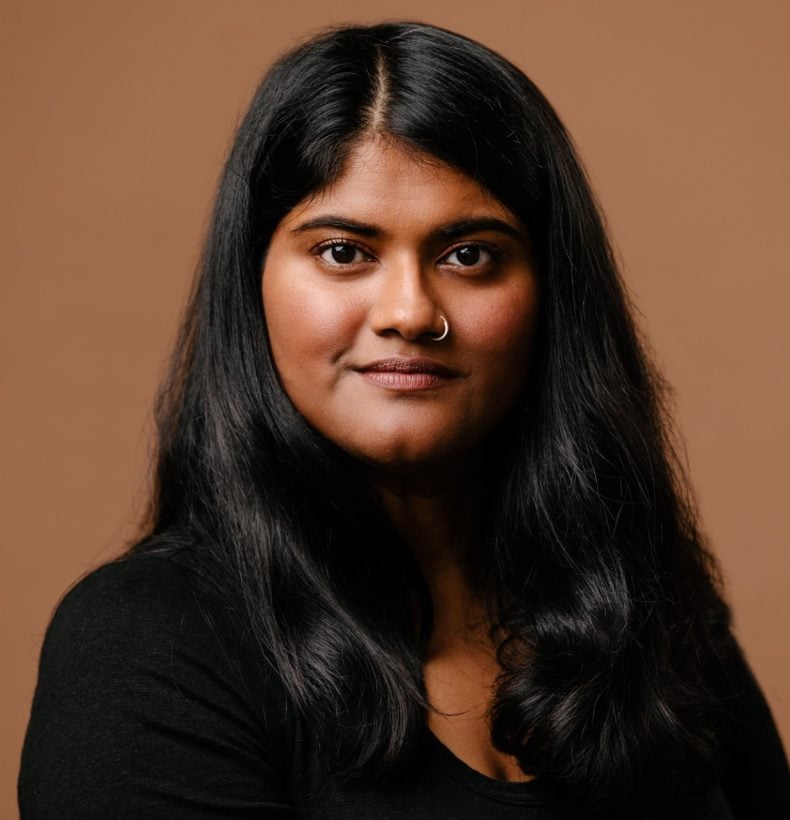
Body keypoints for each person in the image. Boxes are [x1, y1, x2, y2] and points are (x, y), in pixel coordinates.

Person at [18, 21, 790, 819]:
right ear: (253, 283)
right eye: (344, 252)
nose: (411, 312)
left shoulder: (649, 612)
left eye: (469, 254)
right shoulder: (149, 644)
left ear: (550, 292)